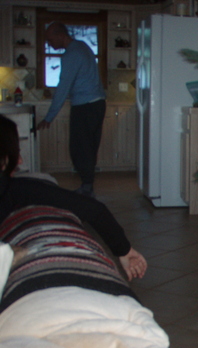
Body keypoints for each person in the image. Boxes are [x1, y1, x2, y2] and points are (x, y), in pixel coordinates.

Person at [0, 114, 146, 285]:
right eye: (15, 152)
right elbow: (93, 210)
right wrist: (124, 251)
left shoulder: (15, 188)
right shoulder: (16, 189)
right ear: (4, 159)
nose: (20, 161)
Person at [37, 21, 106, 198]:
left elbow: (63, 87)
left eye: (50, 39)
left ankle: (87, 189)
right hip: (96, 104)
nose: (49, 43)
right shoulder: (82, 46)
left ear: (60, 35)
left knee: (80, 148)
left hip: (85, 106)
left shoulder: (71, 54)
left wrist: (49, 117)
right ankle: (87, 186)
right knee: (88, 147)